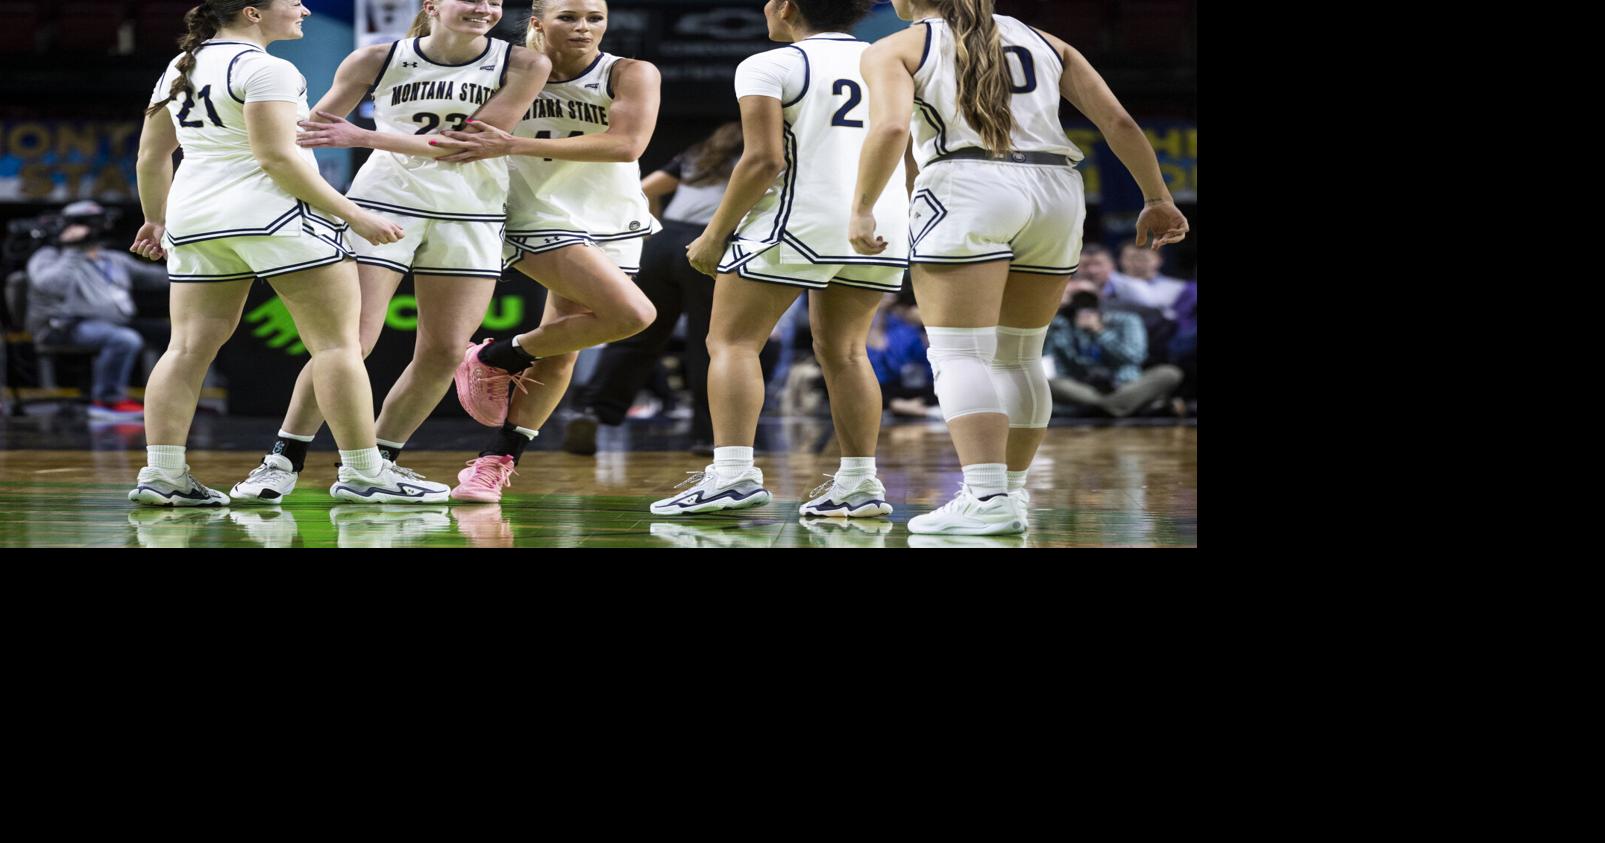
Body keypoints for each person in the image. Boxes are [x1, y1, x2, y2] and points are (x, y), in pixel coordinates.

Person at [850, 0, 1188, 535]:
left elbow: (891, 130)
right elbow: (1117, 120)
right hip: (1056, 188)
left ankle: (984, 498)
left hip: (967, 182)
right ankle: (1010, 495)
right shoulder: (1048, 41)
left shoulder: (895, 46)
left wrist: (864, 206)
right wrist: (1156, 195)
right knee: (1020, 355)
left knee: (961, 351)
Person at [227, 0, 550, 503]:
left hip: (473, 210)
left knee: (444, 351)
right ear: (432, 5)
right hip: (384, 203)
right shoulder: (375, 59)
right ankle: (281, 460)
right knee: (349, 340)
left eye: (494, 1)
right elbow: (308, 131)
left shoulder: (525, 63)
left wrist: (363, 135)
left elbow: (470, 144)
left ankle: (374, 467)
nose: (484, 8)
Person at [129, 0, 447, 506]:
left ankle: (162, 475)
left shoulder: (181, 65)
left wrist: (156, 218)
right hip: (275, 219)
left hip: (195, 222)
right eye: (293, 2)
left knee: (186, 349)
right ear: (253, 13)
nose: (304, 9)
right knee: (337, 346)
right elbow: (276, 156)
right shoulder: (267, 68)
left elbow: (152, 154)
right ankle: (366, 473)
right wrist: (355, 215)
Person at [646, 0, 910, 519]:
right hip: (880, 223)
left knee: (731, 342)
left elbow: (764, 158)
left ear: (785, 7)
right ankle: (859, 484)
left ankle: (732, 475)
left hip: (797, 220)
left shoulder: (771, 64)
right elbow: (911, 150)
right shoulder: (891, 57)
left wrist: (714, 234)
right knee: (848, 353)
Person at [431, 0, 662, 503]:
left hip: (612, 215)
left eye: (595, 18)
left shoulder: (629, 72)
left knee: (561, 355)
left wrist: (513, 145)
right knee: (634, 315)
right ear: (538, 22)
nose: (583, 28)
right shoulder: (508, 68)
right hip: (535, 213)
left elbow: (627, 144)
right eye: (568, 17)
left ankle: (494, 460)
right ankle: (496, 356)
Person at [562, 121, 744, 456]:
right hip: (710, 242)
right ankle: (710, 436)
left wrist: (656, 232)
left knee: (638, 335)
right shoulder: (760, 157)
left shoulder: (698, 156)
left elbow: (646, 188)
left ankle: (591, 409)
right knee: (712, 343)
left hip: (663, 243)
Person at [25, 201, 167, 417]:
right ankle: (107, 400)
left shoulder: (112, 259)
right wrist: (73, 250)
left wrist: (187, 264)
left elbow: (157, 279)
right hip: (64, 326)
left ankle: (171, 399)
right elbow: (52, 286)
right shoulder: (48, 257)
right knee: (124, 339)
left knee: (179, 337)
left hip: (115, 322)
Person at [1045, 289, 1181, 417]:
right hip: (1086, 387)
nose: (1084, 307)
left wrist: (1100, 331)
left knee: (1170, 373)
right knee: (1049, 383)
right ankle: (1129, 407)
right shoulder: (1063, 325)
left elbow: (1133, 357)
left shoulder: (1127, 320)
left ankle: (1100, 408)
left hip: (1126, 384)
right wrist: (1053, 312)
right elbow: (1044, 358)